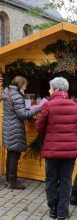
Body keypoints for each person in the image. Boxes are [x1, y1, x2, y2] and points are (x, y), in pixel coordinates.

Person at [35, 77, 77, 220]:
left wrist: (49, 135)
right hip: (70, 151)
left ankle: (53, 208)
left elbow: (39, 126)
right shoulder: (75, 106)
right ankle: (63, 212)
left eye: (50, 88)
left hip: (52, 150)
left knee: (51, 179)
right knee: (66, 180)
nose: (49, 90)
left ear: (57, 89)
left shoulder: (48, 105)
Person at [2, 76, 41, 190]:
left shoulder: (8, 92)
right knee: (14, 155)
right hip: (15, 129)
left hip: (9, 127)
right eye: (24, 84)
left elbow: (18, 111)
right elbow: (23, 115)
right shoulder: (17, 96)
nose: (26, 86)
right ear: (20, 85)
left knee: (11, 154)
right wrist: (38, 108)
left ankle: (9, 180)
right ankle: (12, 182)